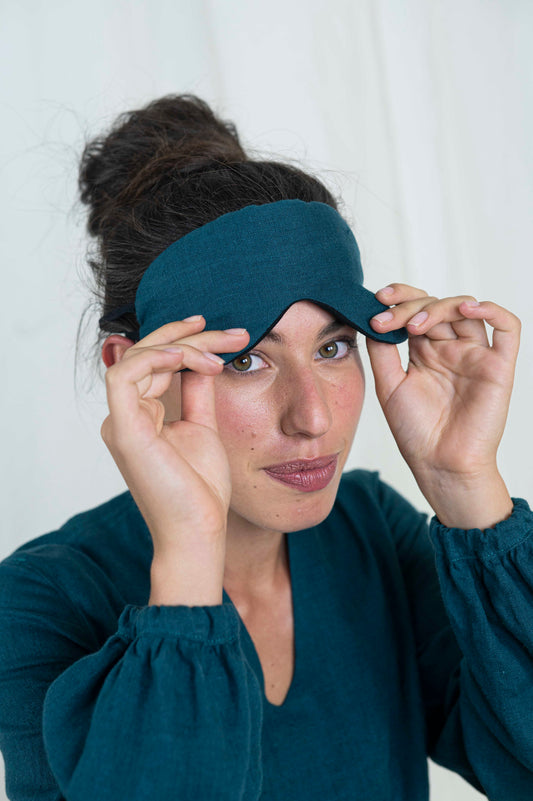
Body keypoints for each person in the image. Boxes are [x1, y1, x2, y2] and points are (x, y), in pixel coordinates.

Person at [0, 94, 531, 801]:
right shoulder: (41, 602)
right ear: (135, 372)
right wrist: (190, 552)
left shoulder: (371, 530)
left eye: (333, 345)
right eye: (248, 358)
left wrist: (464, 483)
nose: (312, 417)